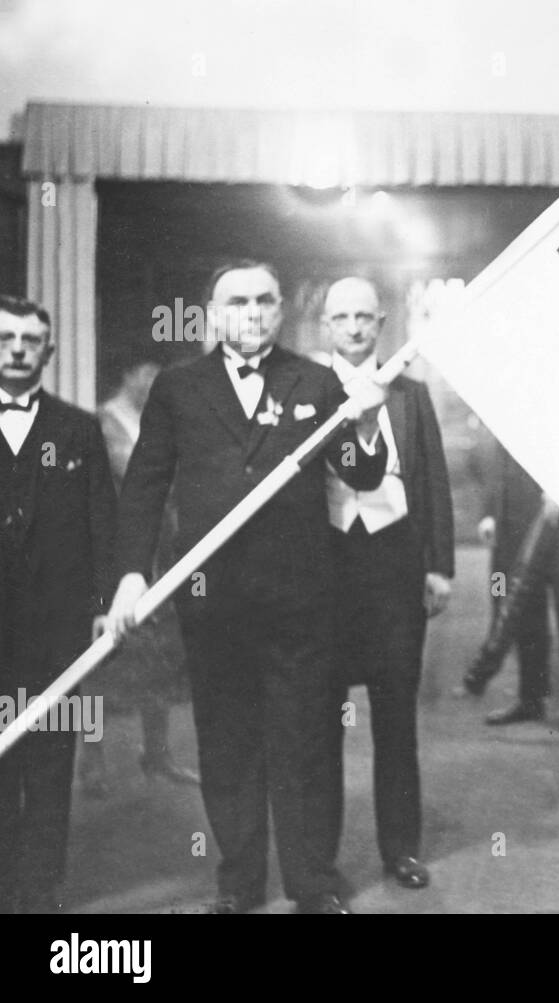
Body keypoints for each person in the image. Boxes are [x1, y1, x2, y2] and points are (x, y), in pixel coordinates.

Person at [105, 261, 389, 915]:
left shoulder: (315, 380)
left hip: (300, 598)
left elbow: (360, 472)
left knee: (305, 740)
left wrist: (366, 423)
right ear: (212, 311)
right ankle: (237, 883)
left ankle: (311, 881)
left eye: (265, 300)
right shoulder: (178, 387)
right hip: (213, 600)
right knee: (227, 741)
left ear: (281, 309)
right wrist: (128, 576)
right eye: (239, 300)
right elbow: (145, 484)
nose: (253, 310)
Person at [321, 277, 454, 891]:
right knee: (319, 720)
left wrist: (439, 566)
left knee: (396, 717)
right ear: (326, 325)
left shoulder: (410, 394)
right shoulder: (305, 390)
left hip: (395, 566)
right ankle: (315, 862)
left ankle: (400, 849)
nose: (353, 328)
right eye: (341, 317)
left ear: (381, 323)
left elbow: (432, 480)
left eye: (364, 318)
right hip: (326, 572)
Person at [0, 294, 116, 913]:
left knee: (48, 763)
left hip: (56, 632)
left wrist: (102, 603)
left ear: (48, 351)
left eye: (29, 340)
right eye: (5, 338)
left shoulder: (78, 429)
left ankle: (40, 892)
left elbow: (104, 520)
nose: (17, 350)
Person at [78, 360, 198, 795]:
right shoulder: (100, 422)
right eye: (144, 372)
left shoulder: (159, 418)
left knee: (159, 650)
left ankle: (158, 754)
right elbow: (131, 476)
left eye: (157, 373)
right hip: (112, 550)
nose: (151, 381)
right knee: (102, 659)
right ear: (125, 373)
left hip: (159, 549)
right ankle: (91, 762)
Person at [475, 441, 559, 731]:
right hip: (516, 507)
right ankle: (531, 697)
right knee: (526, 609)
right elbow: (492, 454)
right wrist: (490, 511)